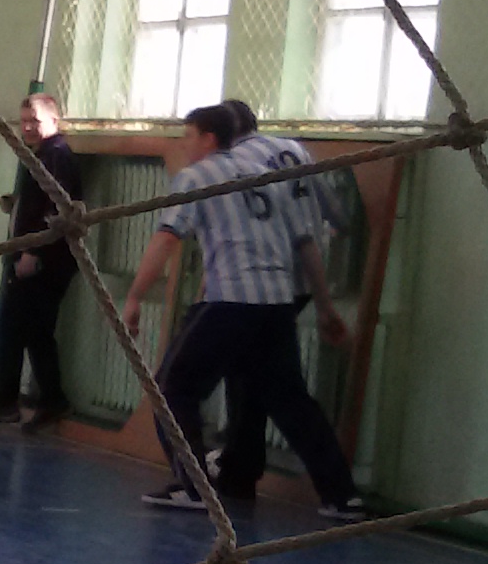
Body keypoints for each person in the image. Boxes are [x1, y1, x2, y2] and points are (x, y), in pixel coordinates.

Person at [117, 104, 367, 520]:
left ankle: (193, 486)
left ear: (209, 138)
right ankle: (341, 496)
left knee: (171, 390)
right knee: (289, 398)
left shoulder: (197, 176)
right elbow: (307, 241)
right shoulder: (266, 176)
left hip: (231, 298)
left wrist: (134, 296)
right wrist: (324, 306)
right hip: (277, 301)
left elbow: (167, 238)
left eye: (188, 136)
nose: (184, 145)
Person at [213, 97, 336, 498]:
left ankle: (335, 486)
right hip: (301, 279)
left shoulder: (236, 163)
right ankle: (240, 468)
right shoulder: (294, 149)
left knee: (272, 387)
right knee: (253, 378)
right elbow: (334, 213)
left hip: (265, 282)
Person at [0, 91, 84, 429]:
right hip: (38, 255)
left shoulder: (56, 157)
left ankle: (13, 402)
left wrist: (32, 253)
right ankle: (48, 400)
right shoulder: (42, 156)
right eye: (23, 121)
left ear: (54, 120)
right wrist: (18, 204)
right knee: (34, 332)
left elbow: (58, 208)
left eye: (34, 121)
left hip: (44, 260)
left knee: (20, 328)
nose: (27, 127)